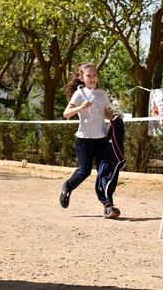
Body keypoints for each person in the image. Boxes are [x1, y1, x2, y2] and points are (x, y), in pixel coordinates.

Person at [59, 62, 121, 219]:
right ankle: (67, 186)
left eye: (94, 75)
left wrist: (114, 117)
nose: (92, 78)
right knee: (84, 171)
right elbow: (66, 113)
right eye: (89, 75)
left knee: (104, 172)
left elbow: (106, 113)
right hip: (84, 139)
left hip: (102, 138)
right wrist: (81, 108)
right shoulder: (79, 94)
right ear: (82, 77)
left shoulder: (102, 94)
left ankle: (108, 206)